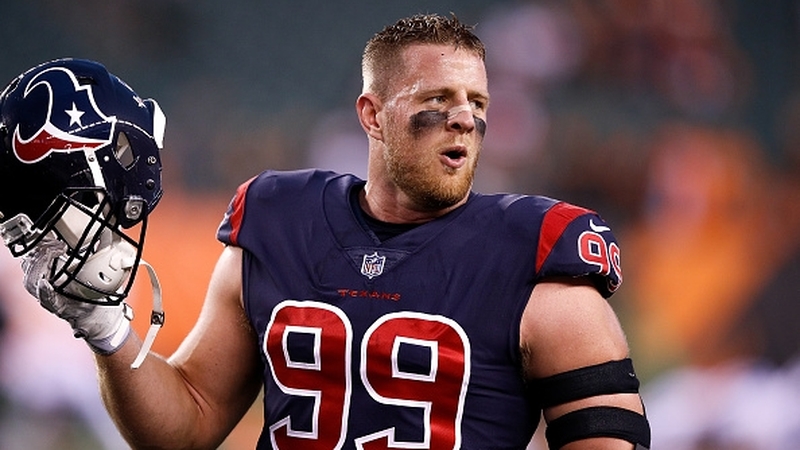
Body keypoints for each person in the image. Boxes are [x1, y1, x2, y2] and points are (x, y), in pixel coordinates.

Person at [1, 14, 649, 450]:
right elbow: (187, 424)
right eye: (437, 100)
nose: (463, 120)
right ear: (372, 115)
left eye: (476, 104)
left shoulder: (536, 255)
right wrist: (108, 330)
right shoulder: (278, 221)